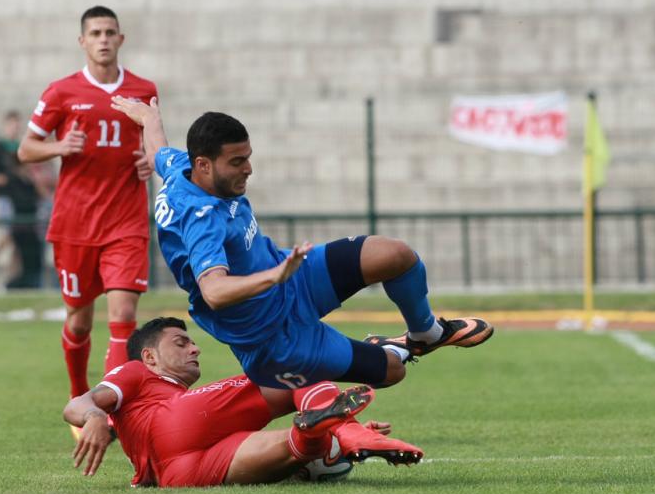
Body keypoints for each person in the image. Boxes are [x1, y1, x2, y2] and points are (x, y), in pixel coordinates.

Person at [109, 96, 494, 390]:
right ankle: (390, 349)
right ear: (206, 165)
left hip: (294, 281)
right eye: (237, 162)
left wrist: (148, 118)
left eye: (248, 157)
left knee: (395, 255)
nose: (248, 168)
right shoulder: (201, 220)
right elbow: (214, 292)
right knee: (391, 372)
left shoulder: (182, 169)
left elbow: (158, 151)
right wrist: (274, 276)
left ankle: (425, 333)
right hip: (272, 336)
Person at [64, 317, 424, 487]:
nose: (194, 348)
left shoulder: (174, 394)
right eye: (180, 342)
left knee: (295, 445)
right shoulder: (136, 372)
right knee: (288, 362)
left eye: (192, 343)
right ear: (150, 357)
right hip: (177, 424)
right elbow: (76, 406)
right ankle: (348, 428)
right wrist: (95, 416)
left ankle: (332, 441)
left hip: (178, 476)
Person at [18, 6, 157, 403]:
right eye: (95, 33)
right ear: (83, 41)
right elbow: (26, 150)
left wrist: (151, 158)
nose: (103, 39)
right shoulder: (61, 92)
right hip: (75, 224)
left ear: (121, 39)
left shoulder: (144, 89)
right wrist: (61, 146)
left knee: (124, 315)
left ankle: (109, 408)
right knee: (79, 320)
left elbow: (154, 138)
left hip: (126, 220)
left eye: (109, 32)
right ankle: (79, 392)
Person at [0, 111, 44, 289]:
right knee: (11, 233)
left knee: (18, 241)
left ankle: (15, 277)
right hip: (7, 198)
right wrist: (0, 178)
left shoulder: (20, 147)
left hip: (21, 199)